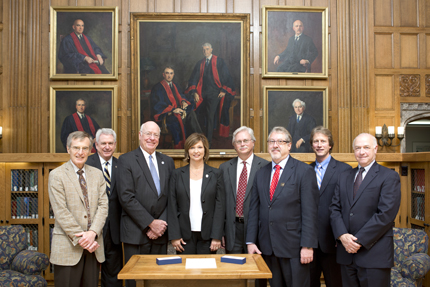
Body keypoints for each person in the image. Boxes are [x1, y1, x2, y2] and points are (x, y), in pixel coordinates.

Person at [247, 126, 319, 287]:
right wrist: (250, 241)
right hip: (267, 248)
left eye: (280, 141)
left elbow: (310, 212)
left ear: (289, 145)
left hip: (294, 248)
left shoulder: (304, 171)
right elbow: (254, 210)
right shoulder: (261, 173)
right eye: (271, 141)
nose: (275, 145)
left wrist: (307, 246)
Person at [330, 133, 401, 287]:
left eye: (366, 147)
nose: (361, 152)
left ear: (375, 149)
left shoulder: (389, 176)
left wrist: (357, 241)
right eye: (358, 148)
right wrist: (342, 236)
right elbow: (334, 209)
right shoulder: (344, 176)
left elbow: (386, 215)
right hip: (346, 255)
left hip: (374, 254)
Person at [118, 121, 175, 287]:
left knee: (158, 279)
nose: (152, 138)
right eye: (148, 134)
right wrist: (150, 224)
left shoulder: (167, 161)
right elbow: (126, 197)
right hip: (136, 233)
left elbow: (171, 197)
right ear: (140, 135)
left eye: (155, 135)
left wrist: (160, 225)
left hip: (160, 234)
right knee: (134, 281)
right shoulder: (126, 160)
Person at [48, 131, 108, 287]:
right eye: (76, 148)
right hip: (69, 248)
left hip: (93, 248)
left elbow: (103, 206)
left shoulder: (97, 175)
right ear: (68, 149)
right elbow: (61, 212)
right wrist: (84, 240)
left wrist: (93, 233)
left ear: (90, 150)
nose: (80, 152)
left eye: (84, 148)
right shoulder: (57, 175)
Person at [309, 126, 352, 287]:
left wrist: (340, 234)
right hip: (310, 243)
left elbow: (348, 207)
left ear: (330, 145)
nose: (319, 145)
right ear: (312, 145)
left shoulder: (344, 170)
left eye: (323, 141)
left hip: (333, 242)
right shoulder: (306, 170)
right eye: (316, 141)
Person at [168, 133, 225, 254]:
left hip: (208, 236)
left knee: (206, 272)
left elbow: (220, 207)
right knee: (185, 272)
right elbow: (172, 206)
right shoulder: (177, 174)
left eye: (200, 147)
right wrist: (174, 235)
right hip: (183, 237)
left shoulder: (216, 174)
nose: (196, 151)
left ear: (205, 150)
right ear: (187, 151)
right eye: (192, 147)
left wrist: (217, 236)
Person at [219, 126, 269, 254]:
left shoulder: (265, 167)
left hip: (257, 231)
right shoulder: (225, 168)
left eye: (246, 140)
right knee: (233, 271)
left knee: (255, 271)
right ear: (234, 145)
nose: (242, 144)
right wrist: (222, 232)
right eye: (238, 141)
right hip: (232, 230)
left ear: (253, 142)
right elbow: (221, 202)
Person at [86, 128, 122, 287]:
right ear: (96, 145)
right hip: (91, 229)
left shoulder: (122, 165)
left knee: (113, 273)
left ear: (115, 145)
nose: (107, 147)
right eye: (103, 143)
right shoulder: (86, 164)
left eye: (110, 143)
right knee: (89, 273)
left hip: (115, 230)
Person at [185, 43, 235, 147]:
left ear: (211, 50)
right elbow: (193, 79)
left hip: (215, 93)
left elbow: (227, 77)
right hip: (202, 93)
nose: (205, 52)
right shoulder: (200, 63)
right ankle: (197, 137)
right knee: (195, 112)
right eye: (203, 50)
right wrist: (194, 92)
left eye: (207, 49)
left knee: (210, 115)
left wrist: (223, 90)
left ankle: (208, 141)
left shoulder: (219, 62)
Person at [150, 66, 202, 149]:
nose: (169, 75)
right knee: (176, 122)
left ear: (173, 74)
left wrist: (183, 101)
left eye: (171, 73)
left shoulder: (175, 85)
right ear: (163, 75)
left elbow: (181, 95)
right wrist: (173, 110)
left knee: (191, 114)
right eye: (167, 73)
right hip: (168, 115)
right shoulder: (158, 88)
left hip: (178, 111)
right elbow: (158, 104)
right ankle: (181, 147)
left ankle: (199, 140)